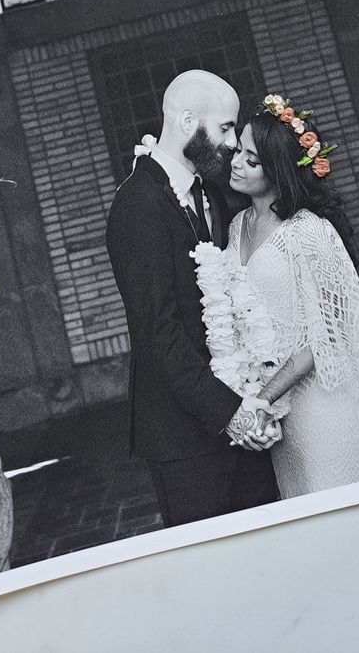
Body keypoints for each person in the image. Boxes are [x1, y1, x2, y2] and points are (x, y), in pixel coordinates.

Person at [106, 70, 279, 528]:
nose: (230, 142)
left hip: (233, 408)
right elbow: (157, 333)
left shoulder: (208, 193)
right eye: (224, 127)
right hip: (184, 439)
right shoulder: (137, 205)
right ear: (187, 121)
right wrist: (232, 413)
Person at [227, 99, 359, 497]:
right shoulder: (235, 226)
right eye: (238, 151)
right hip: (277, 412)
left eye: (252, 160)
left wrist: (258, 402)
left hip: (322, 406)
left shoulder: (307, 232)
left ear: (278, 170)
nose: (236, 163)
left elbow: (323, 340)